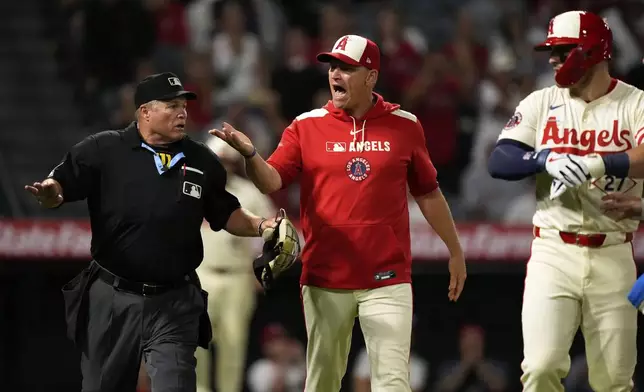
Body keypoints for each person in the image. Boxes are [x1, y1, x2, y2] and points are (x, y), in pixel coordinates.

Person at [210, 34, 466, 392]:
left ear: (371, 76)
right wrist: (252, 155)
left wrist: (454, 249)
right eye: (333, 67)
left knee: (393, 382)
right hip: (325, 279)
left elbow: (429, 193)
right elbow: (270, 182)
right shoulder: (306, 124)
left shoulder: (404, 125)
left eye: (346, 67)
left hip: (388, 278)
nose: (335, 74)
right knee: (323, 382)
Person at [24, 72, 282, 392]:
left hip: (175, 298)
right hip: (114, 294)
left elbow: (226, 212)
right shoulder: (105, 148)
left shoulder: (201, 159)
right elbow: (61, 182)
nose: (182, 113)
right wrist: (52, 192)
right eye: (172, 105)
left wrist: (260, 225)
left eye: (184, 106)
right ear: (145, 111)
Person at [487, 11, 642, 391]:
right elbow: (500, 158)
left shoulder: (634, 102)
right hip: (553, 250)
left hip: (614, 251)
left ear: (591, 51)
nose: (553, 59)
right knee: (540, 368)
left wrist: (595, 163)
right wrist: (544, 158)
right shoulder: (542, 101)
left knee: (614, 382)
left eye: (562, 50)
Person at [195, 136, 276, 392]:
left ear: (233, 163)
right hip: (200, 274)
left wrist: (263, 268)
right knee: (195, 343)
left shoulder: (248, 193)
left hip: (238, 276)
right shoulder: (191, 189)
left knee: (233, 344)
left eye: (226, 161)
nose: (221, 166)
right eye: (216, 160)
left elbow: (274, 232)